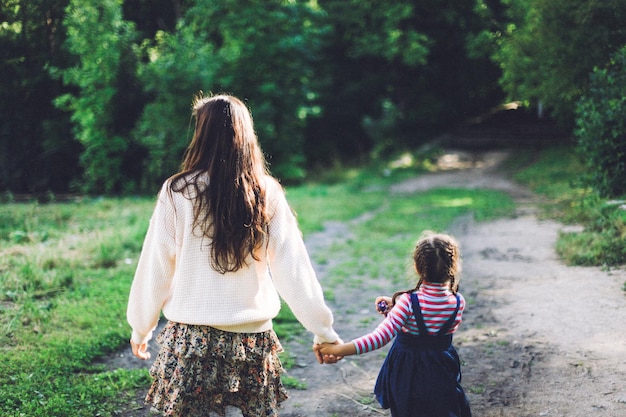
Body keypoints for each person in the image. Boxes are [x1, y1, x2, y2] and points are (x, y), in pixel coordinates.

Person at [127, 93, 341, 417]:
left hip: (191, 340)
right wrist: (323, 331)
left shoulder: (177, 192)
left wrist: (140, 327)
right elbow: (292, 269)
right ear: (246, 135)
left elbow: (156, 268)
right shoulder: (265, 192)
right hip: (252, 340)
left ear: (202, 134)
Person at [319, 231, 472, 417]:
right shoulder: (458, 301)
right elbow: (431, 319)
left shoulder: (408, 302)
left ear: (417, 267)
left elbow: (379, 338)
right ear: (453, 267)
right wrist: (397, 308)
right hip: (441, 369)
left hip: (408, 373)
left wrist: (337, 350)